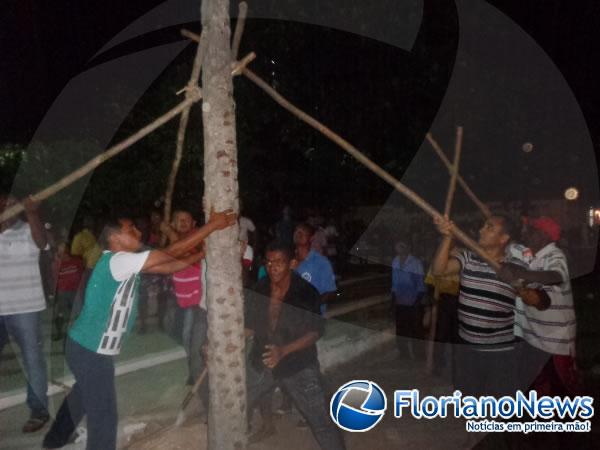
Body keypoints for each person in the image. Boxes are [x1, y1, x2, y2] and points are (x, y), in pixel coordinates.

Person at [42, 209, 235, 450]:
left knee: (83, 393)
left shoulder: (124, 263)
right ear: (116, 239)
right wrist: (212, 226)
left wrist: (202, 254)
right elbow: (168, 253)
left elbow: (168, 266)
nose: (138, 231)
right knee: (104, 417)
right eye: (130, 229)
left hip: (87, 347)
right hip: (90, 350)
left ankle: (55, 439)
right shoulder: (117, 260)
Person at [432, 214, 549, 398]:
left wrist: (526, 293)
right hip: (467, 349)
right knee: (469, 401)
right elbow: (439, 271)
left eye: (489, 227)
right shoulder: (468, 257)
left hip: (500, 352)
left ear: (503, 239)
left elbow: (542, 302)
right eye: (484, 226)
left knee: (500, 404)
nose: (481, 230)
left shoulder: (516, 267)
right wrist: (448, 236)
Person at [244, 241, 346, 450]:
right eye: (269, 262)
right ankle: (262, 428)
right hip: (262, 359)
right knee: (237, 406)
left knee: (320, 422)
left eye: (279, 262)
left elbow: (315, 332)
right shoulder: (260, 288)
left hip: (297, 363)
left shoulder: (306, 292)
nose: (273, 267)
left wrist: (283, 351)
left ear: (292, 263)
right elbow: (250, 326)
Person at [501, 216, 580, 396]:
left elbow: (556, 276)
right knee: (539, 385)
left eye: (532, 230)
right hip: (534, 334)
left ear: (544, 237)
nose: (527, 233)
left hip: (556, 339)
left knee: (561, 387)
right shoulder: (530, 255)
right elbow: (509, 249)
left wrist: (523, 273)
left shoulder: (555, 255)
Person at [0, 194, 50, 432]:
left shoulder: (31, 228)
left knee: (32, 360)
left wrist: (32, 213)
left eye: (11, 203)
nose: (7, 206)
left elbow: (42, 244)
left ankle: (39, 411)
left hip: (26, 308)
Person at [162, 210, 209, 402]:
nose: (182, 223)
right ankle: (195, 367)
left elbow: (190, 253)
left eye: (186, 220)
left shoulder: (196, 238)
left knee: (190, 336)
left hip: (197, 301)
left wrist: (171, 234)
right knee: (182, 336)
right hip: (181, 299)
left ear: (193, 223)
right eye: (178, 220)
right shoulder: (174, 241)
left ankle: (196, 370)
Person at [391, 241, 425, 359]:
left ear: (408, 248)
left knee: (416, 330)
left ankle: (419, 354)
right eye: (397, 246)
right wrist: (394, 298)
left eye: (401, 246)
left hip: (413, 300)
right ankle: (403, 353)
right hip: (400, 300)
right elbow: (394, 283)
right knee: (401, 330)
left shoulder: (416, 263)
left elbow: (420, 285)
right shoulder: (395, 261)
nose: (399, 249)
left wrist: (417, 301)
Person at [293, 223, 337, 315]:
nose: (298, 234)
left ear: (311, 238)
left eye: (302, 232)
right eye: (296, 231)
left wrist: (312, 305)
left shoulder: (321, 262)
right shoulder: (288, 260)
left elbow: (330, 292)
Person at [51, 241, 84, 341]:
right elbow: (54, 278)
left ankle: (78, 334)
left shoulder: (77, 260)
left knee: (77, 314)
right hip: (62, 292)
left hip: (75, 292)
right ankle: (60, 333)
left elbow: (82, 274)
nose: (63, 252)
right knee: (60, 314)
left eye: (64, 249)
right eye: (60, 250)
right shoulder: (56, 263)